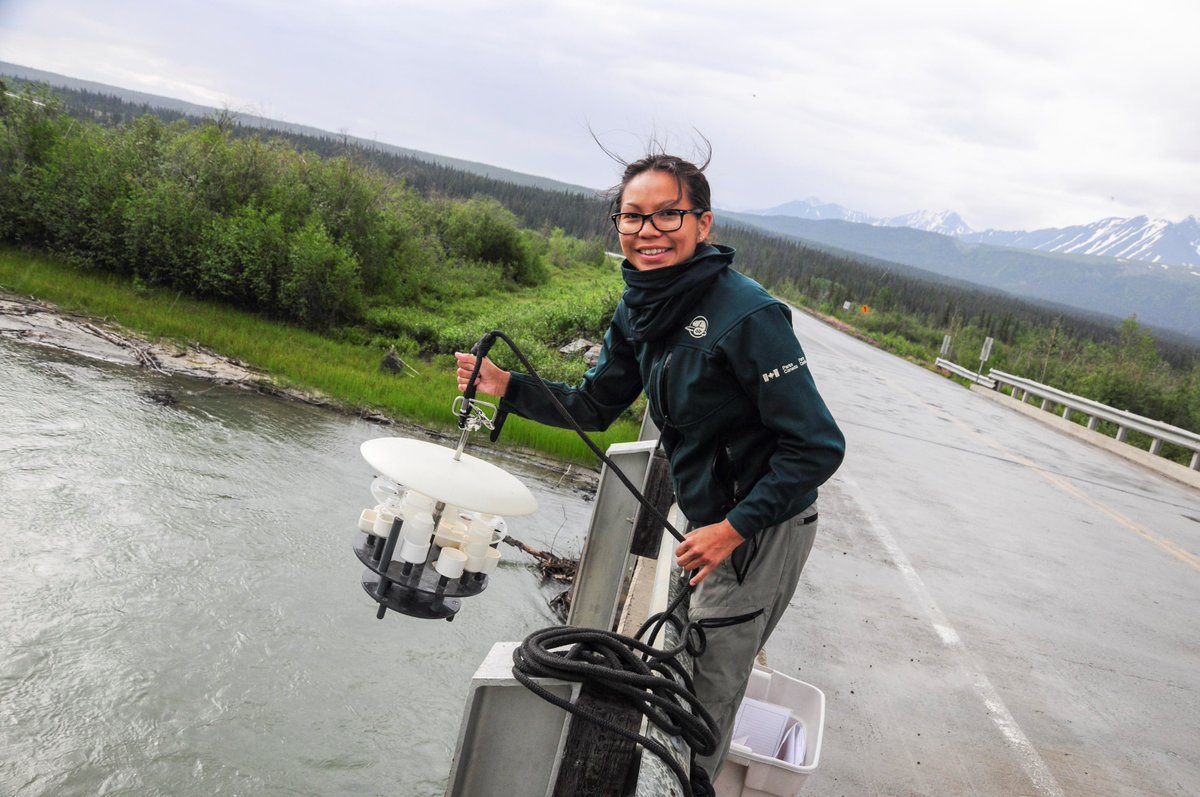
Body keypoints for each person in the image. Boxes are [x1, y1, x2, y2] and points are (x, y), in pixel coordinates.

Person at [455, 149, 845, 779]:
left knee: (706, 689)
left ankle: (690, 784)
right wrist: (510, 388)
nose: (648, 231)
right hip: (708, 522)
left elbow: (819, 447)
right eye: (633, 217)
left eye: (668, 215)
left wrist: (733, 528)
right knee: (686, 656)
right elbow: (596, 404)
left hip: (759, 528)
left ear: (703, 224)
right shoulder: (640, 307)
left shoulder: (750, 317)